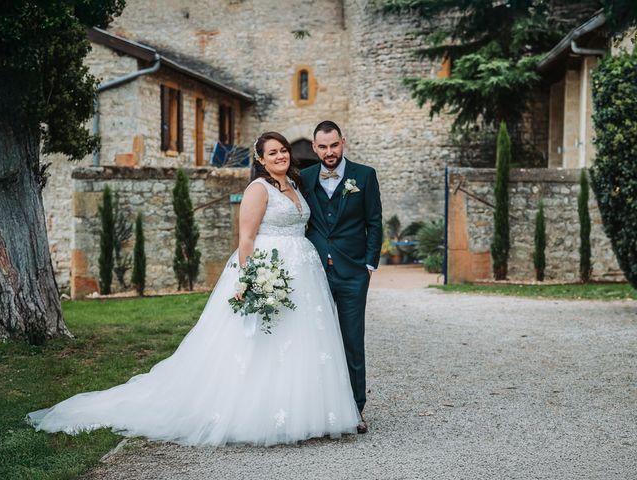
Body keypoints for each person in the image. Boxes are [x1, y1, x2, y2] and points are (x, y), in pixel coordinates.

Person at [27, 132, 360, 447]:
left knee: (301, 340)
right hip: (268, 267)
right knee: (262, 343)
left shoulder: (295, 184)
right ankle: (259, 414)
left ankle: (307, 412)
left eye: (283, 150)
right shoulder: (259, 188)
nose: (280, 155)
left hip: (303, 270)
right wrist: (250, 279)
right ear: (260, 158)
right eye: (272, 152)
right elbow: (245, 238)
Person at [300, 121, 382, 434]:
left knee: (351, 341)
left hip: (353, 273)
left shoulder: (364, 175)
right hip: (314, 272)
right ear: (314, 147)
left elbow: (374, 222)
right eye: (323, 147)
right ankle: (317, 409)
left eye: (334, 145)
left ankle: (355, 409)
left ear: (342, 142)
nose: (329, 152)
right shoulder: (304, 178)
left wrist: (369, 265)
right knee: (315, 341)